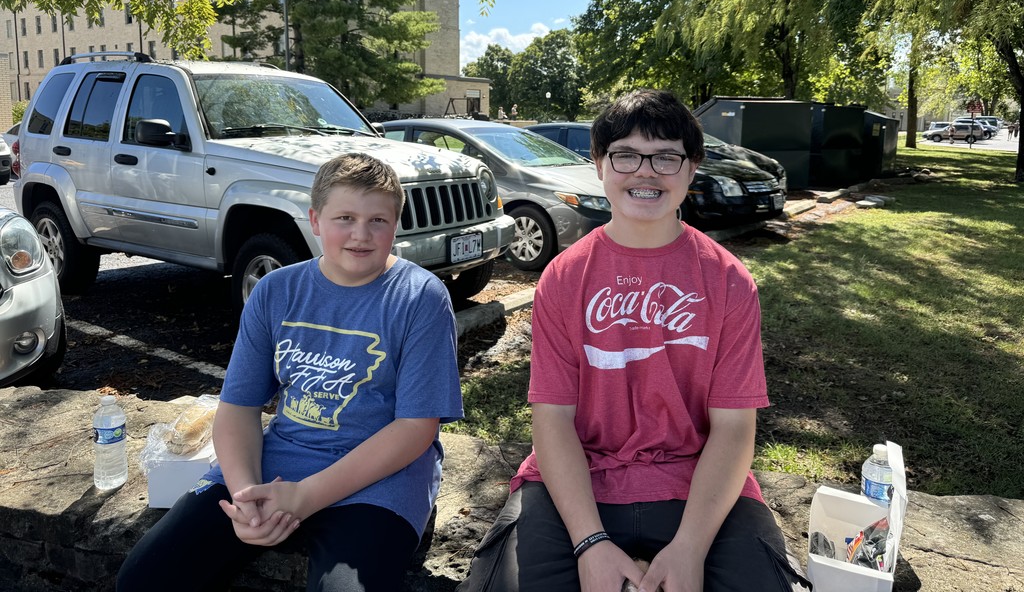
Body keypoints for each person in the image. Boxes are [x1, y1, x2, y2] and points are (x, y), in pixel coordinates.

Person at [457, 89, 808, 592]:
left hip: (695, 489)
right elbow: (551, 418)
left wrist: (689, 548)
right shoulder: (563, 277)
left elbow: (733, 429)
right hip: (576, 487)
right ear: (599, 164)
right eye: (625, 155)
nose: (646, 172)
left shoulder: (728, 281)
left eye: (667, 156)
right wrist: (589, 543)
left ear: (692, 168)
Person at [118, 153, 464, 592]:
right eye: (345, 218)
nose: (361, 234)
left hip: (379, 482)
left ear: (396, 224)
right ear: (315, 220)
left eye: (378, 220)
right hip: (277, 463)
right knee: (145, 578)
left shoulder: (420, 298)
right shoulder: (276, 291)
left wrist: (304, 498)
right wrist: (246, 498)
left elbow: (417, 427)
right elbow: (238, 409)